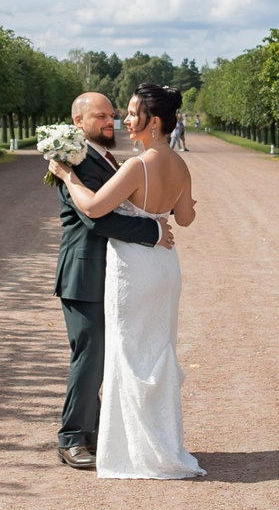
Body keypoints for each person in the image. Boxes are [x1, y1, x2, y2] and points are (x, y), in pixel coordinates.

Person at [50, 83, 202, 480]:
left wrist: (67, 177)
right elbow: (185, 218)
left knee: (128, 354)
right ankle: (122, 437)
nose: (118, 119)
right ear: (77, 121)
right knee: (147, 351)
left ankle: (119, 438)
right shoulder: (178, 164)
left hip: (134, 269)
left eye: (126, 113)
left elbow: (95, 208)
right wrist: (157, 225)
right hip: (156, 267)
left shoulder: (131, 164)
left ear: (153, 121)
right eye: (103, 115)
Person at [51, 92, 162, 470]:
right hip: (82, 274)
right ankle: (71, 438)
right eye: (100, 116)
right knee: (90, 355)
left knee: (101, 355)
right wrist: (152, 231)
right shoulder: (77, 160)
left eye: (111, 115)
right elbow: (96, 219)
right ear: (77, 122)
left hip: (106, 272)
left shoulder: (101, 157)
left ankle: (95, 433)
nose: (109, 122)